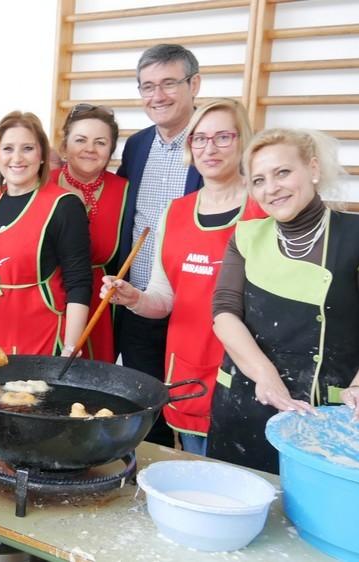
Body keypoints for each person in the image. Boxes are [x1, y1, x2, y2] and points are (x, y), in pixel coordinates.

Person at [209, 128, 359, 473]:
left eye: (283, 172)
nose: (271, 188)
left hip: (325, 416)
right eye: (259, 180)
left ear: (312, 169)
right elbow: (224, 313)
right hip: (245, 404)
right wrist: (265, 375)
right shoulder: (246, 236)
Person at [101, 99, 264, 456]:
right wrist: (134, 298)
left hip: (252, 372)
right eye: (200, 138)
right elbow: (164, 299)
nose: (210, 148)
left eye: (223, 137)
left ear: (243, 141)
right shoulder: (175, 213)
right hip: (192, 369)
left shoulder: (263, 210)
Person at [115, 43, 204, 447]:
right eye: (147, 86)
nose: (158, 96)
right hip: (139, 300)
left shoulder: (211, 143)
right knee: (145, 409)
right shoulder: (136, 146)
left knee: (193, 408)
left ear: (194, 85)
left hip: (194, 309)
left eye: (169, 83)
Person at [0, 111, 91, 358]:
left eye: (27, 148)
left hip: (39, 339)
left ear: (42, 155)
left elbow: (79, 283)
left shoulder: (64, 206)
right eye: (7, 149)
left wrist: (71, 348)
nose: (17, 158)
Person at [53, 104, 127, 362]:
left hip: (99, 305)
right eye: (80, 140)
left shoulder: (125, 191)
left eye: (100, 142)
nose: (90, 149)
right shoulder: (43, 183)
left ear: (111, 150)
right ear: (65, 146)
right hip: (48, 299)